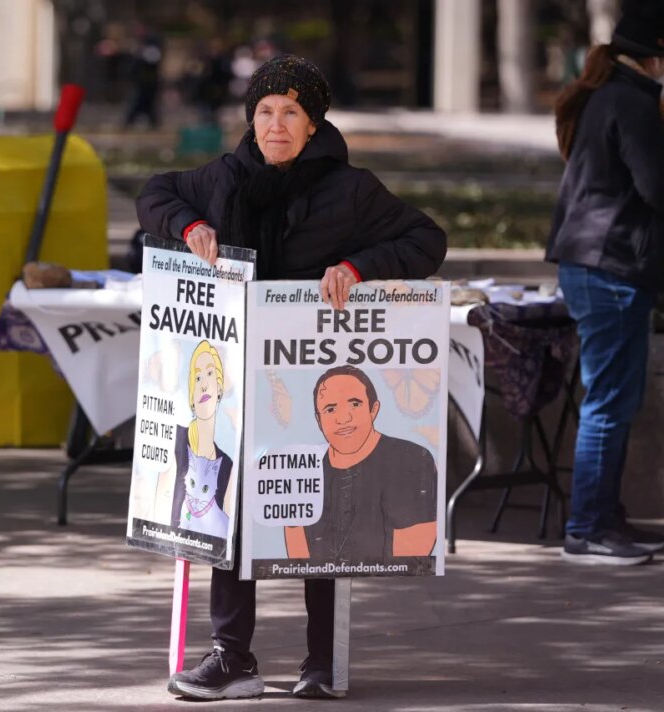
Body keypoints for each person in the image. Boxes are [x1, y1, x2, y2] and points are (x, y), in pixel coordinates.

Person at [136, 54, 447, 701]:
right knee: (234, 516)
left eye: (291, 113)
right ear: (251, 120)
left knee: (326, 512)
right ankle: (232, 657)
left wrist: (358, 268)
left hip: (312, 384)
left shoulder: (350, 190)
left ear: (313, 125)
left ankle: (322, 660)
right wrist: (188, 226)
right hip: (241, 384)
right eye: (265, 112)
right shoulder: (223, 178)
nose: (276, 124)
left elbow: (426, 240)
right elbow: (153, 194)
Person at [547, 0, 664, 566]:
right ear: (659, 57)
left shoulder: (607, 95)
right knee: (608, 404)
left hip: (596, 264)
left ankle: (605, 518)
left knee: (615, 401)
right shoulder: (633, 102)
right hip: (612, 269)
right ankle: (587, 529)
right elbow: (653, 186)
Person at [284, 366, 437, 563]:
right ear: (318, 420)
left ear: (374, 410)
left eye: (354, 404)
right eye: (330, 409)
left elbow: (410, 559)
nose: (343, 418)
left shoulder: (412, 460)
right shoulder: (301, 470)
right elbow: (299, 562)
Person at [157, 340, 235, 538]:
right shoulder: (178, 444)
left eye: (211, 373)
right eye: (197, 377)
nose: (204, 384)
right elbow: (160, 510)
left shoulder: (227, 460)